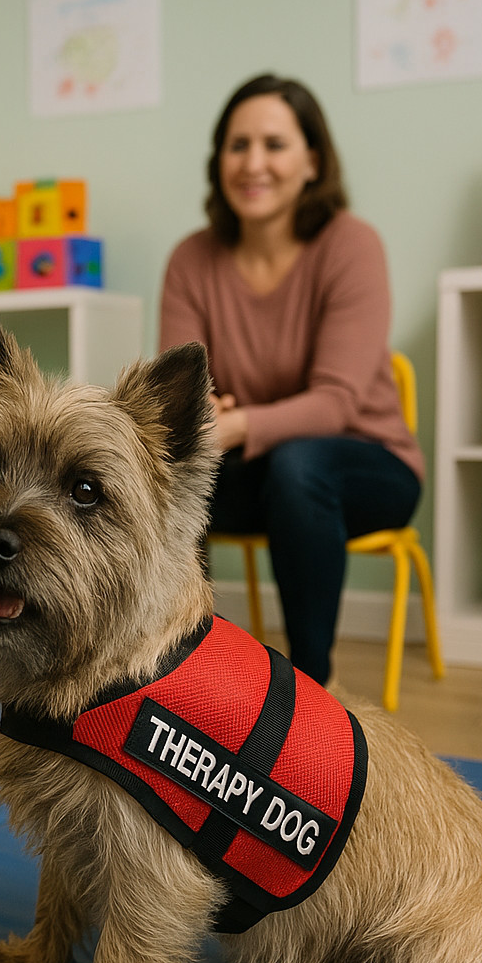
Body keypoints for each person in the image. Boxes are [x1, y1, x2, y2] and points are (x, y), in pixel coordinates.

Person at [159, 73, 424, 686]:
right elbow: (179, 401)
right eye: (237, 145)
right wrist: (205, 417)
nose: (254, 163)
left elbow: (334, 404)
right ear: (217, 161)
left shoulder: (352, 246)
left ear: (312, 161)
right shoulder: (190, 260)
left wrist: (238, 423)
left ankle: (312, 691)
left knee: (299, 465)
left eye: (274, 145)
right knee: (155, 478)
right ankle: (169, 670)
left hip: (367, 463)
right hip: (259, 470)